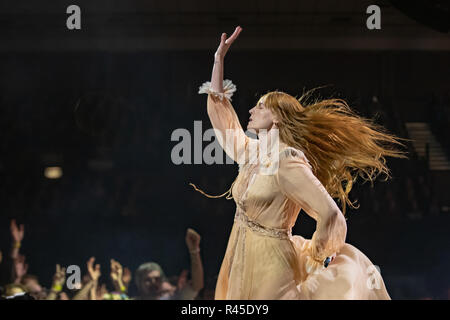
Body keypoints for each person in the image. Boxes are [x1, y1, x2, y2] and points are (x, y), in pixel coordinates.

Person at [195, 26, 406, 299]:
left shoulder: (288, 160)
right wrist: (217, 61)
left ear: (279, 117)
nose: (251, 110)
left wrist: (318, 255)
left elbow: (330, 214)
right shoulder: (252, 152)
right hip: (240, 255)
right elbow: (224, 123)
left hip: (272, 264)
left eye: (260, 106)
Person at [133, 228, 204, 300]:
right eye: (148, 280)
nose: (153, 282)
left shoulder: (174, 297)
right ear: (139, 284)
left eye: (157, 279)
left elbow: (197, 285)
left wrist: (194, 251)